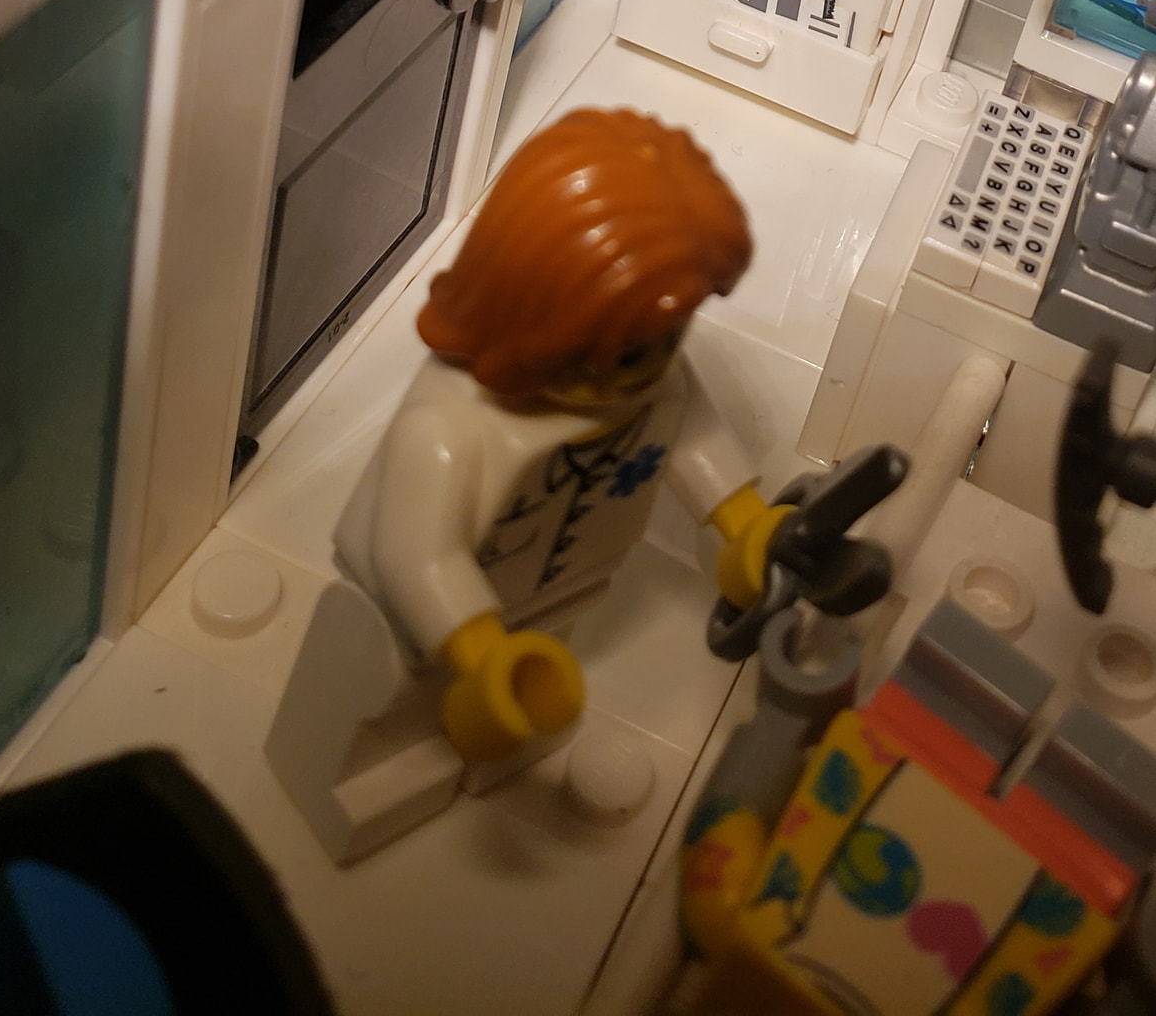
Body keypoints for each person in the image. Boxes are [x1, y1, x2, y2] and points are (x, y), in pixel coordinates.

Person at [268, 107, 790, 858]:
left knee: (535, 690)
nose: (652, 366)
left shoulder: (655, 386)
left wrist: (745, 524)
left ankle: (494, 753)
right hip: (421, 620)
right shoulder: (449, 428)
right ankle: (361, 778)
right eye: (624, 350)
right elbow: (416, 555)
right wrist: (480, 653)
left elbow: (694, 436)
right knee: (380, 694)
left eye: (668, 338)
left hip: (561, 590)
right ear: (534, 316)